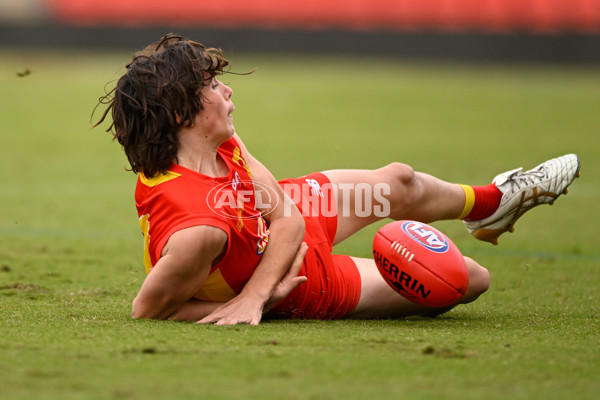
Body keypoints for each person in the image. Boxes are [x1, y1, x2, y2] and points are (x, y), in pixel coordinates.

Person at [94, 34, 581, 325]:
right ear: (183, 113)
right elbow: (149, 311)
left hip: (287, 229)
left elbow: (285, 214)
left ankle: (495, 202)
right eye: (211, 86)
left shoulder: (219, 142)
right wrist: (261, 299)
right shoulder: (198, 229)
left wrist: (256, 292)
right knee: (467, 280)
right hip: (304, 282)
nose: (227, 89)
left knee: (398, 180)